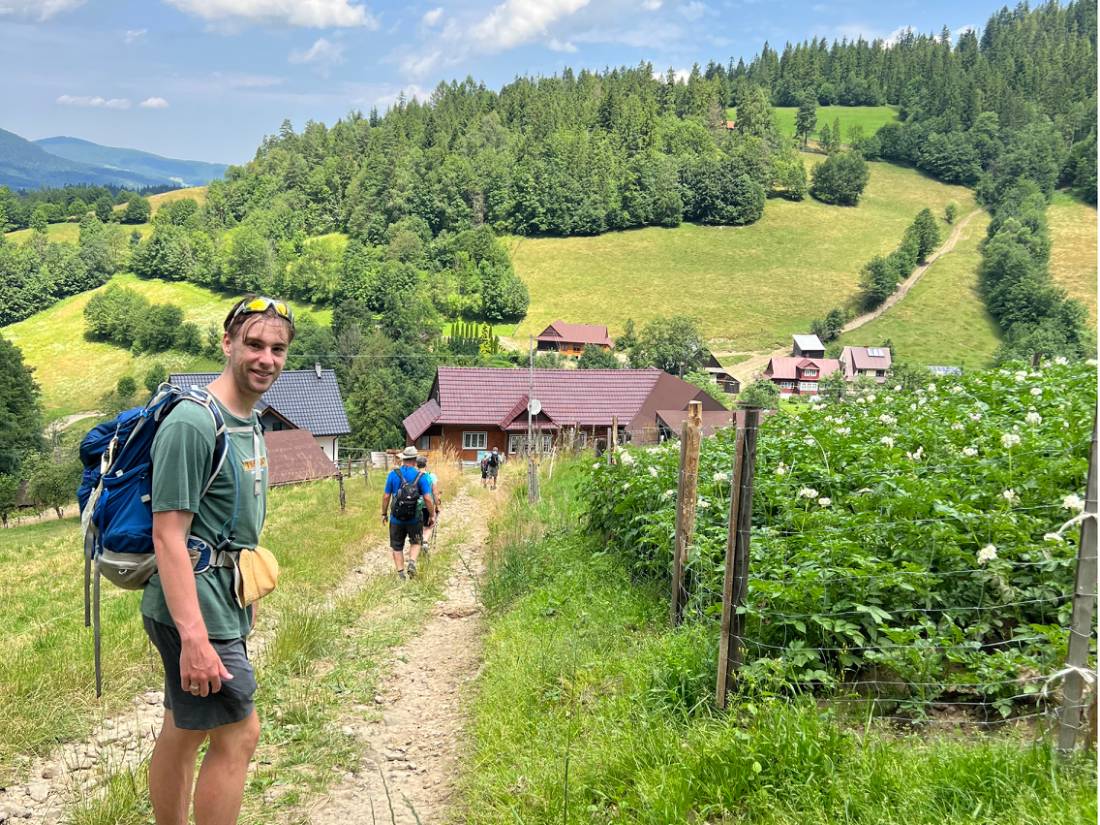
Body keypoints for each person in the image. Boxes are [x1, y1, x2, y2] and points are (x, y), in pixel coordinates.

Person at [143, 295, 294, 825]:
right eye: (254, 344)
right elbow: (169, 537)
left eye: (277, 349)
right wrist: (195, 639)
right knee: (239, 733)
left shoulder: (248, 423)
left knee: (184, 730)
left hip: (221, 601)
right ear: (227, 343)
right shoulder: (193, 423)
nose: (266, 359)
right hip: (194, 610)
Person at [381, 446, 435, 579]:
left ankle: (401, 574)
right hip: (415, 518)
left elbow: (386, 496)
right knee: (416, 541)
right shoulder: (421, 476)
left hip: (396, 518)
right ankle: (411, 562)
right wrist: (432, 515)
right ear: (415, 460)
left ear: (403, 459)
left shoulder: (393, 474)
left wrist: (384, 513)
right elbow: (428, 498)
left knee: (397, 546)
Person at [416, 455, 440, 550]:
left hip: (414, 505)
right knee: (430, 525)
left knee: (418, 525)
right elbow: (435, 492)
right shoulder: (431, 476)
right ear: (426, 464)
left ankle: (419, 541)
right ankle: (425, 541)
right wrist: (437, 506)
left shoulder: (412, 475)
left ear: (417, 465)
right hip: (427, 505)